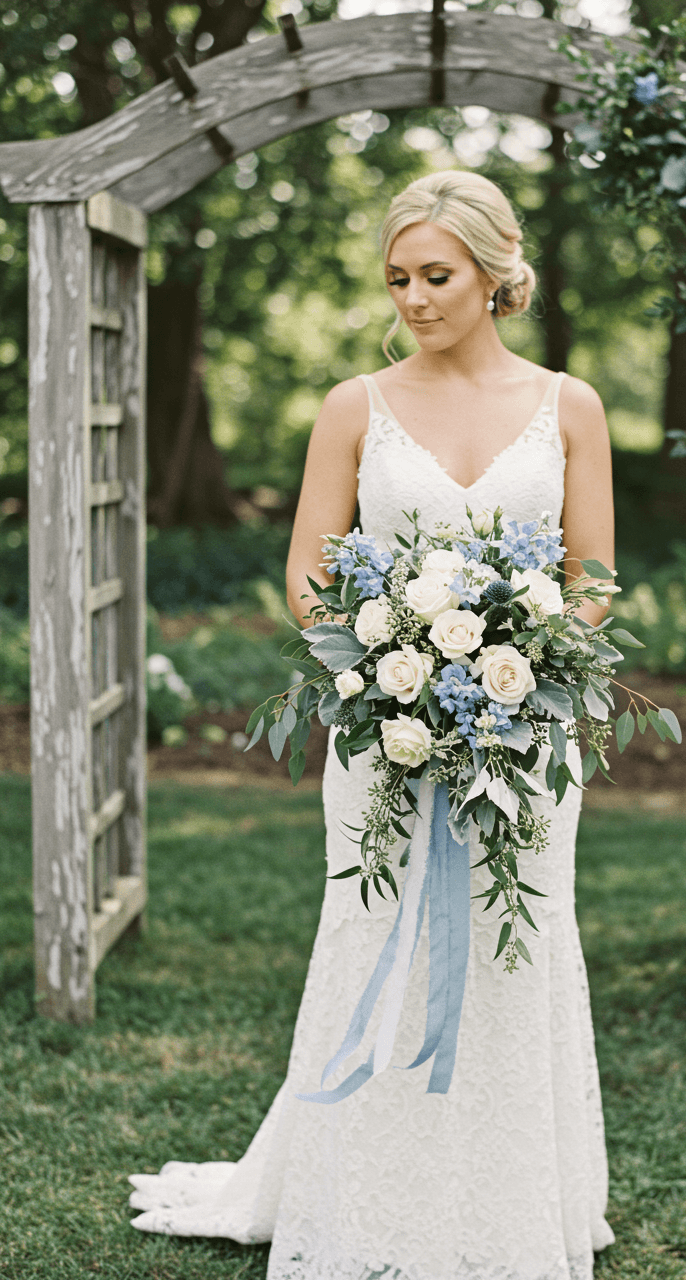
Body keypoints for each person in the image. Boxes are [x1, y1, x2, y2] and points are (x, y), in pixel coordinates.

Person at [128, 169, 617, 1278]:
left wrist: (526, 661)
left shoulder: (567, 404)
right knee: (374, 938)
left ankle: (507, 1205)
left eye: (435, 275)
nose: (413, 297)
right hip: (382, 732)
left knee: (516, 944)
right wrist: (381, 669)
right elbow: (306, 574)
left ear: (495, 273)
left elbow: (595, 580)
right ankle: (364, 1197)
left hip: (526, 742)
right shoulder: (355, 404)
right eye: (397, 277)